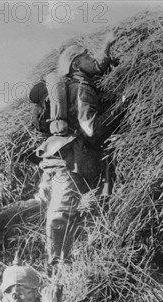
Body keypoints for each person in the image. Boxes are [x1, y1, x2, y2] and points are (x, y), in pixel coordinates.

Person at [36, 31, 118, 268]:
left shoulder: (74, 83)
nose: (92, 58)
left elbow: (98, 65)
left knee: (40, 203)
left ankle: (0, 218)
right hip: (70, 161)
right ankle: (58, 263)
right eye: (85, 56)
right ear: (75, 64)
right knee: (61, 212)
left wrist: (107, 44)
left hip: (54, 157)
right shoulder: (81, 87)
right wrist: (119, 110)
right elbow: (90, 128)